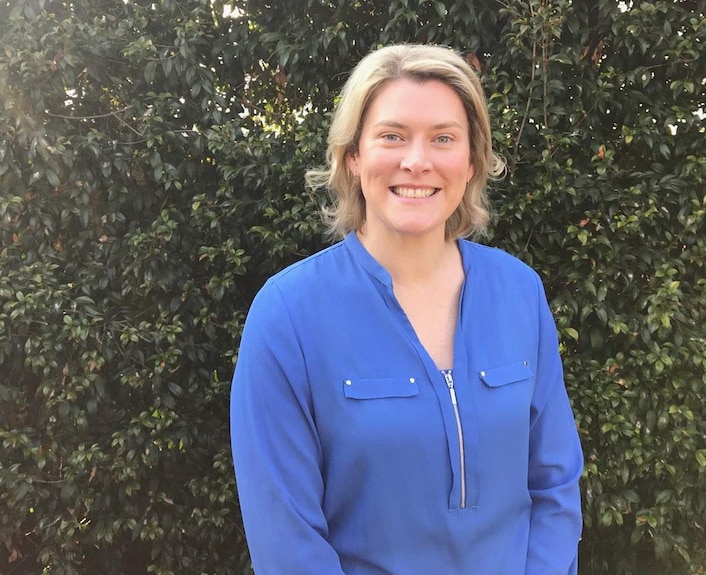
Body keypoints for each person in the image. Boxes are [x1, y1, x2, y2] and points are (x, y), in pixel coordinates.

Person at [230, 43, 584, 575]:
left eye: (443, 138)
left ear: (470, 162)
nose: (417, 161)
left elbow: (555, 485)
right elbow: (288, 543)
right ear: (353, 157)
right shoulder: (287, 316)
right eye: (392, 136)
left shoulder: (520, 292)